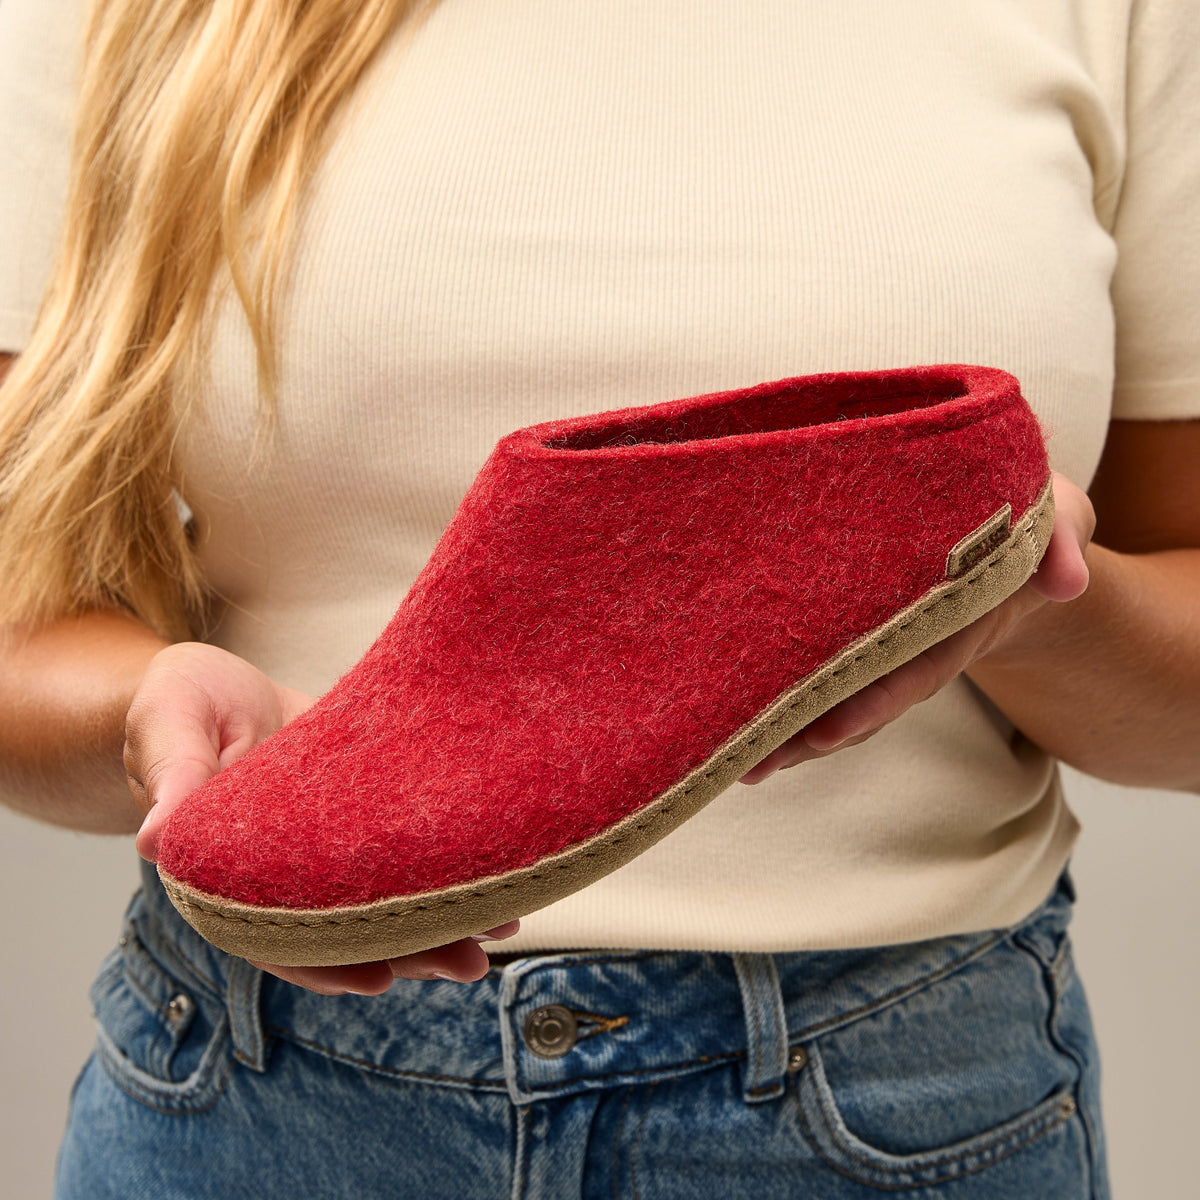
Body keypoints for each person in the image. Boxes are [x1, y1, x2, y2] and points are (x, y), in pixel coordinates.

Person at [1, 0, 1197, 1195]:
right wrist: (144, 709)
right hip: (254, 1101)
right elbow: (21, 618)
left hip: (890, 1102)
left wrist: (1023, 592)